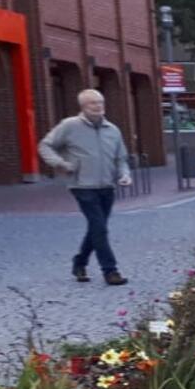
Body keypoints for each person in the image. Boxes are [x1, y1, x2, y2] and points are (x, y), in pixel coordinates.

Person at [39, 88, 133, 285]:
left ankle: (79, 262)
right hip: (81, 185)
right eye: (93, 103)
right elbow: (45, 146)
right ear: (83, 106)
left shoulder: (113, 130)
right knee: (99, 228)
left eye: (101, 102)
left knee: (96, 229)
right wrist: (61, 164)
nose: (99, 106)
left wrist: (125, 174)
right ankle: (110, 271)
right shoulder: (70, 126)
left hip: (107, 186)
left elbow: (121, 158)